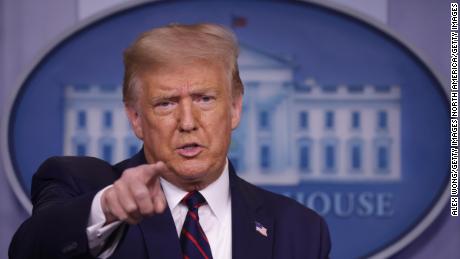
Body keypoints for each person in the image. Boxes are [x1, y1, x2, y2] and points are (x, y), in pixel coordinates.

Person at [9, 23, 331, 259]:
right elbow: (28, 249)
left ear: (234, 109)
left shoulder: (300, 230)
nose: (187, 123)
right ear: (136, 118)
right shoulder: (81, 186)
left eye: (204, 99)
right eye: (166, 103)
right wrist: (107, 209)